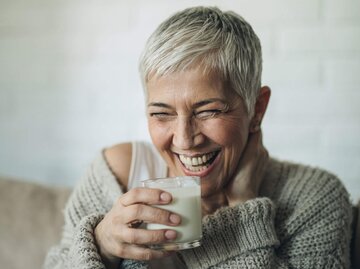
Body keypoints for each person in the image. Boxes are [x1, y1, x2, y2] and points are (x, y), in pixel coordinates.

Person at [44, 6, 352, 269]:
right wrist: (101, 246)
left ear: (257, 108)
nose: (184, 139)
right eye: (161, 113)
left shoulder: (315, 199)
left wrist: (242, 211)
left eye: (209, 111)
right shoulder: (119, 172)